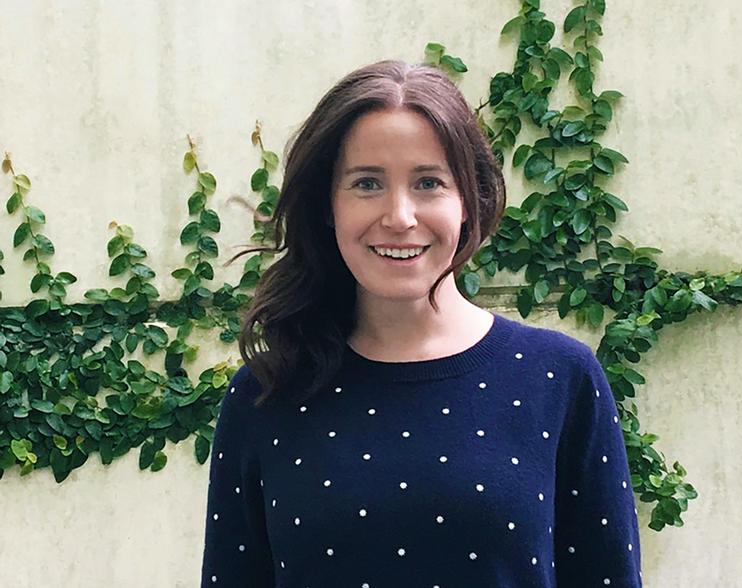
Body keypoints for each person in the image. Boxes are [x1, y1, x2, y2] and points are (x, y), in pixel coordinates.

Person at [200, 59, 643, 587]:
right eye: (367, 184)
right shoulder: (264, 394)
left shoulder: (559, 377)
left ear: (468, 201)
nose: (400, 216)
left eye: (429, 182)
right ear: (327, 206)